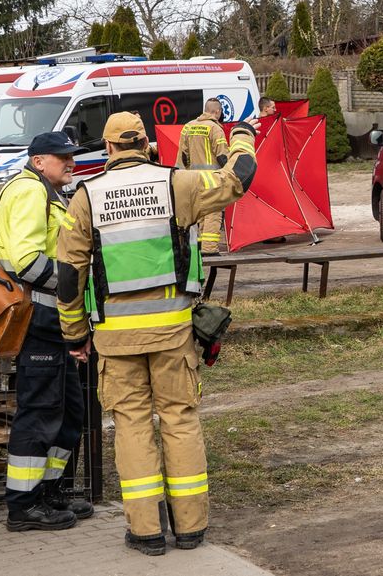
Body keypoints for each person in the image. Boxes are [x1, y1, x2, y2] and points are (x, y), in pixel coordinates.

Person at [56, 111, 257, 556]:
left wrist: (74, 335)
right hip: (172, 332)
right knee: (180, 421)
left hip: (116, 340)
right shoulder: (176, 184)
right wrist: (242, 137)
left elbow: (68, 277)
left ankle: (146, 531)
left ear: (107, 149)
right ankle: (190, 528)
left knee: (131, 426)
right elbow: (238, 177)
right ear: (145, 142)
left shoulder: (85, 199)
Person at [0, 131, 94, 532]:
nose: (70, 162)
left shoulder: (46, 192)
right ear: (38, 161)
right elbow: (27, 262)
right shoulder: (30, 192)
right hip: (39, 319)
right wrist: (74, 283)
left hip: (55, 322)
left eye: (71, 155)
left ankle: (49, 491)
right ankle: (23, 505)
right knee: (39, 413)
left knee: (68, 412)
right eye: (61, 157)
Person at [177, 98, 230, 254]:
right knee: (213, 214)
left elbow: (183, 156)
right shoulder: (215, 128)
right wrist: (229, 172)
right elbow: (222, 156)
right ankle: (210, 250)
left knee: (199, 213)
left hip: (192, 179)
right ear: (217, 112)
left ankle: (199, 245)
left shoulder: (188, 127)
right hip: (212, 179)